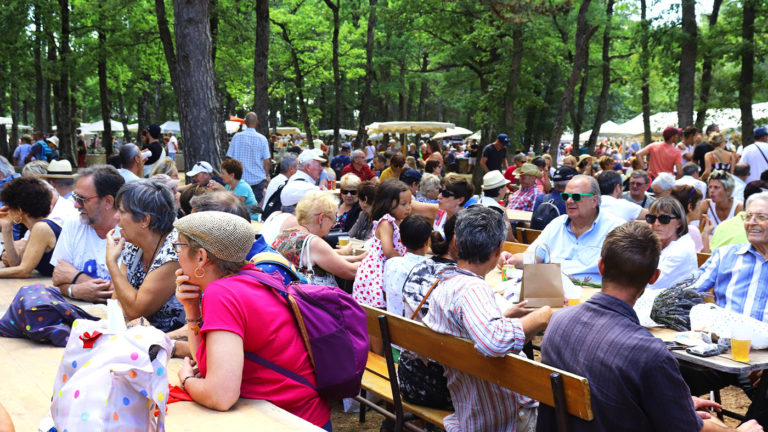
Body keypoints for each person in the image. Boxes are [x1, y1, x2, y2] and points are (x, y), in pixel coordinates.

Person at [538, 221, 762, 432]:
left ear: (601, 266)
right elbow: (687, 428)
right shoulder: (648, 353)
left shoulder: (559, 321)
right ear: (654, 277)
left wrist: (677, 404)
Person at [172, 212, 332, 429]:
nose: (177, 255)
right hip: (302, 415)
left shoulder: (222, 294)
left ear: (201, 257)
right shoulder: (253, 277)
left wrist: (186, 380)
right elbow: (208, 366)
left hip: (286, 421)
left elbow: (220, 395)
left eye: (179, 246)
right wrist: (191, 309)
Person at [421, 206, 552, 431]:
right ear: (499, 247)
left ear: (455, 243)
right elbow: (495, 341)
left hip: (470, 404)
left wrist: (504, 316)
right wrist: (543, 316)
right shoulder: (472, 288)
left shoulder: (446, 284)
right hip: (502, 414)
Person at [499, 175, 625, 283]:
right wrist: (512, 259)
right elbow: (533, 257)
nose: (569, 201)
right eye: (565, 196)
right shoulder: (557, 224)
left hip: (592, 297)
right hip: (551, 292)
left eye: (576, 197)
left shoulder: (616, 229)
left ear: (594, 201)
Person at [105, 180, 184, 332]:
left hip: (173, 341)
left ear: (144, 220)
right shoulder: (133, 241)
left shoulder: (176, 249)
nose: (115, 217)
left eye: (121, 211)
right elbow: (117, 301)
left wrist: (111, 263)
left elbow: (136, 310)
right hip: (143, 334)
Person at [50, 165, 125, 302]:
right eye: (75, 198)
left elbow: (123, 293)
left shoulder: (130, 231)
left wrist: (76, 277)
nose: (76, 205)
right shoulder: (73, 223)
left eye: (82, 199)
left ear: (108, 202)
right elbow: (58, 278)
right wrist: (75, 291)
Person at [272, 191, 359, 287]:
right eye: (333, 219)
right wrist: (373, 261)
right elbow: (351, 272)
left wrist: (359, 258)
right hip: (309, 300)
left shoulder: (287, 233)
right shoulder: (313, 242)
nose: (333, 225)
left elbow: (329, 258)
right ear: (321, 218)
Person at [352, 180, 411, 308]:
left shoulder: (400, 222)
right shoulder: (386, 223)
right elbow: (388, 251)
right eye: (403, 204)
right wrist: (408, 261)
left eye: (410, 203)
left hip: (390, 268)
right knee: (380, 309)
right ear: (388, 205)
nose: (408, 207)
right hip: (377, 272)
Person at [0, 177, 62, 277]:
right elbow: (16, 263)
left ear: (19, 211)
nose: (7, 211)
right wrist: (6, 228)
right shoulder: (36, 227)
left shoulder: (42, 228)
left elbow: (23, 271)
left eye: (9, 207)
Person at [382, 215, 431, 317]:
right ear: (427, 242)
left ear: (401, 239)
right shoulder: (430, 269)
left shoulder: (391, 263)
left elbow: (386, 294)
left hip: (391, 324)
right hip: (412, 329)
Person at [644, 197, 698, 289]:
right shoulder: (654, 242)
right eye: (652, 218)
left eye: (664, 219)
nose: (656, 223)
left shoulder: (681, 250)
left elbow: (649, 284)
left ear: (679, 223)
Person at [226, 113, 271, 203]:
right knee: (254, 208)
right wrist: (267, 175)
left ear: (245, 122)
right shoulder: (262, 139)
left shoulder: (236, 137)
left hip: (239, 180)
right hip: (257, 180)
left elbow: (230, 159)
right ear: (257, 122)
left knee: (238, 207)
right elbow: (267, 161)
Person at [710, 180, 768, 251]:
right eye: (748, 217)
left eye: (761, 217)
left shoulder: (722, 226)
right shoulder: (756, 236)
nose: (751, 223)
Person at [669, 184, 707, 252]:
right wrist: (706, 233)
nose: (700, 208)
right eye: (698, 205)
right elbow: (703, 259)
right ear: (690, 207)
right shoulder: (692, 231)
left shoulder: (666, 227)